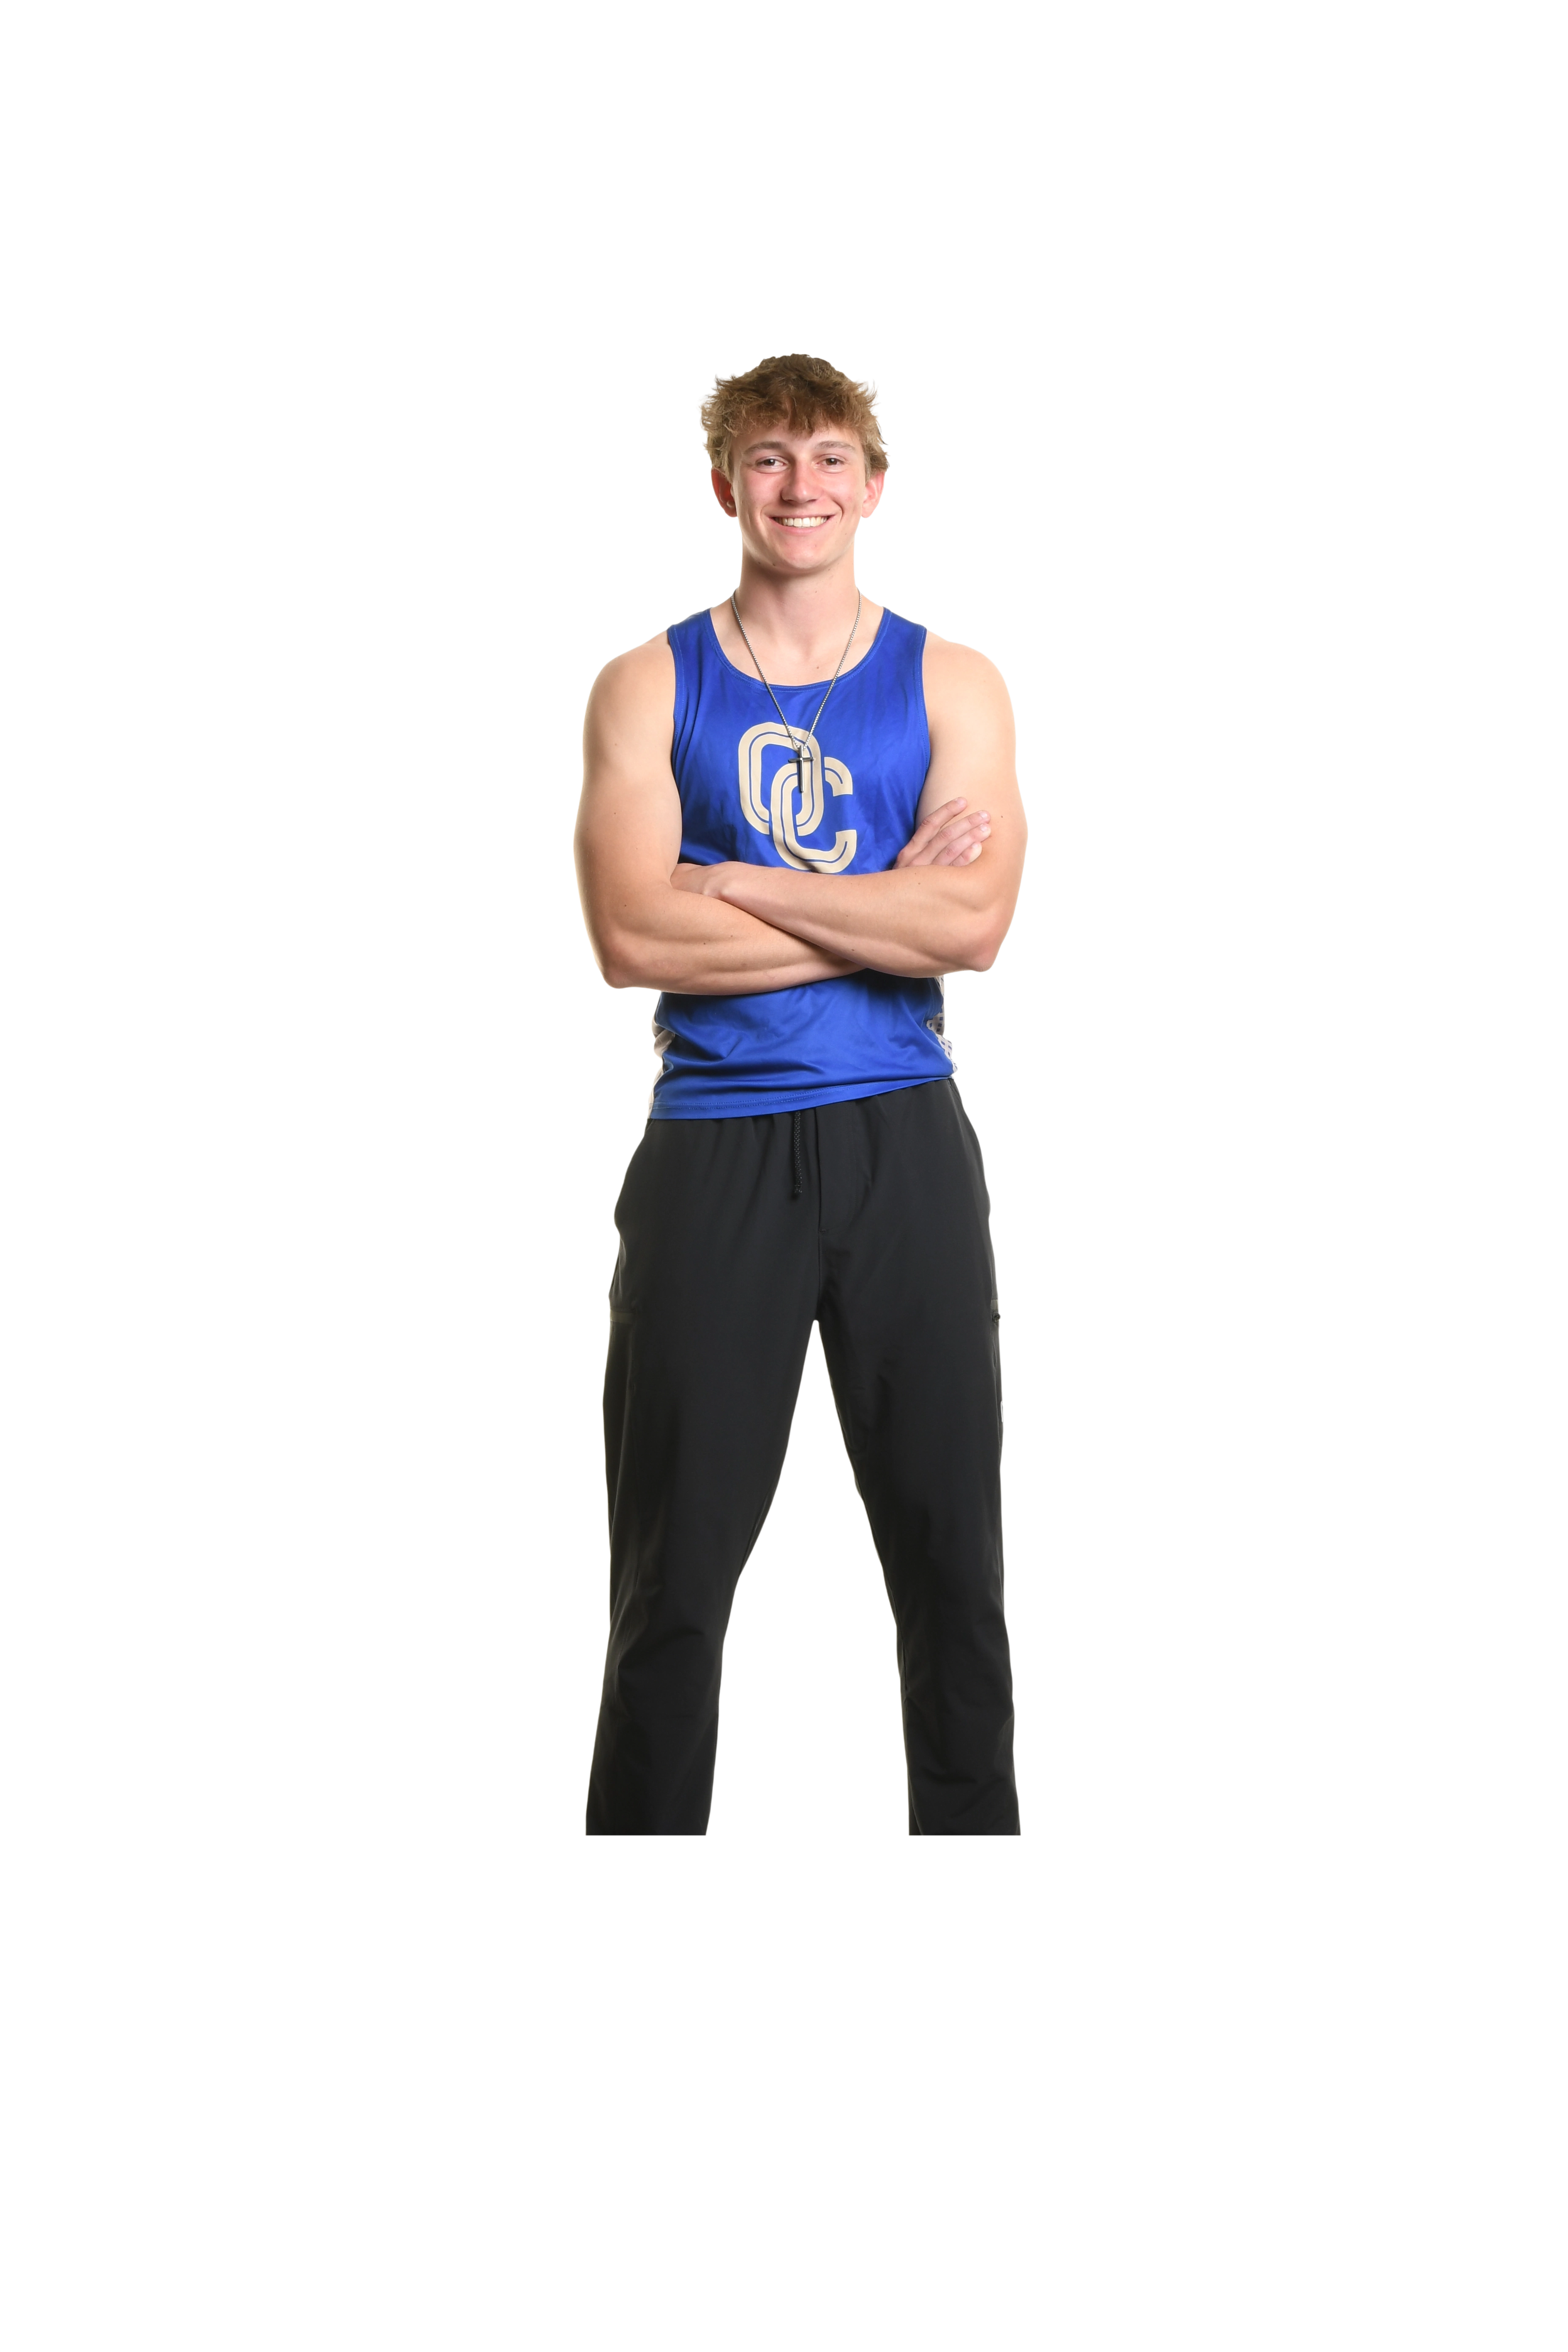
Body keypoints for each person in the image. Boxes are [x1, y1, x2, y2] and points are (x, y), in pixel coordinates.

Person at [547, 354, 1029, 2049]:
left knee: (949, 1570)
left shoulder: (952, 680)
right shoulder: (644, 685)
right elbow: (632, 936)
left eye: (832, 456)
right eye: (767, 458)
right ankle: (634, 1954)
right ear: (723, 483)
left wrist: (734, 877)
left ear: (874, 482)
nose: (801, 485)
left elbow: (972, 928)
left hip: (904, 1144)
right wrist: (876, 895)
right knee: (670, 1582)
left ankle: (987, 1954)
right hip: (714, 1157)